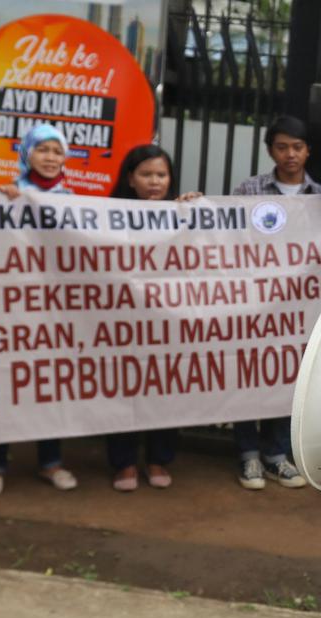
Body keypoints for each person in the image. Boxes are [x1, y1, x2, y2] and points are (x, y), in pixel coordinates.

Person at [227, 115, 321, 490]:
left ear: (308, 151)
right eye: (282, 147)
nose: (290, 154)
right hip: (253, 302)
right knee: (248, 373)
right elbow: (228, 234)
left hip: (296, 309)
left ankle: (276, 454)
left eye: (297, 147)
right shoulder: (249, 189)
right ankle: (248, 453)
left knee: (287, 374)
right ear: (270, 150)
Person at [0, 124, 77, 495]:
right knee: (3, 382)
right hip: (10, 308)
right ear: (26, 153)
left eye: (57, 151)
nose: (51, 158)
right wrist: (2, 201)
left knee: (50, 385)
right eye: (43, 149)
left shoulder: (76, 201)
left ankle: (51, 463)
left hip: (55, 311)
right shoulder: (4, 195)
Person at [104, 144, 200, 491]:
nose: (155, 181)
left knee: (165, 388)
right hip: (122, 321)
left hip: (166, 321)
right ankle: (124, 463)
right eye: (146, 174)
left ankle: (159, 459)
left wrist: (195, 210)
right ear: (130, 179)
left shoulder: (182, 213)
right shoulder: (105, 216)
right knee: (124, 389)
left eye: (161, 174)